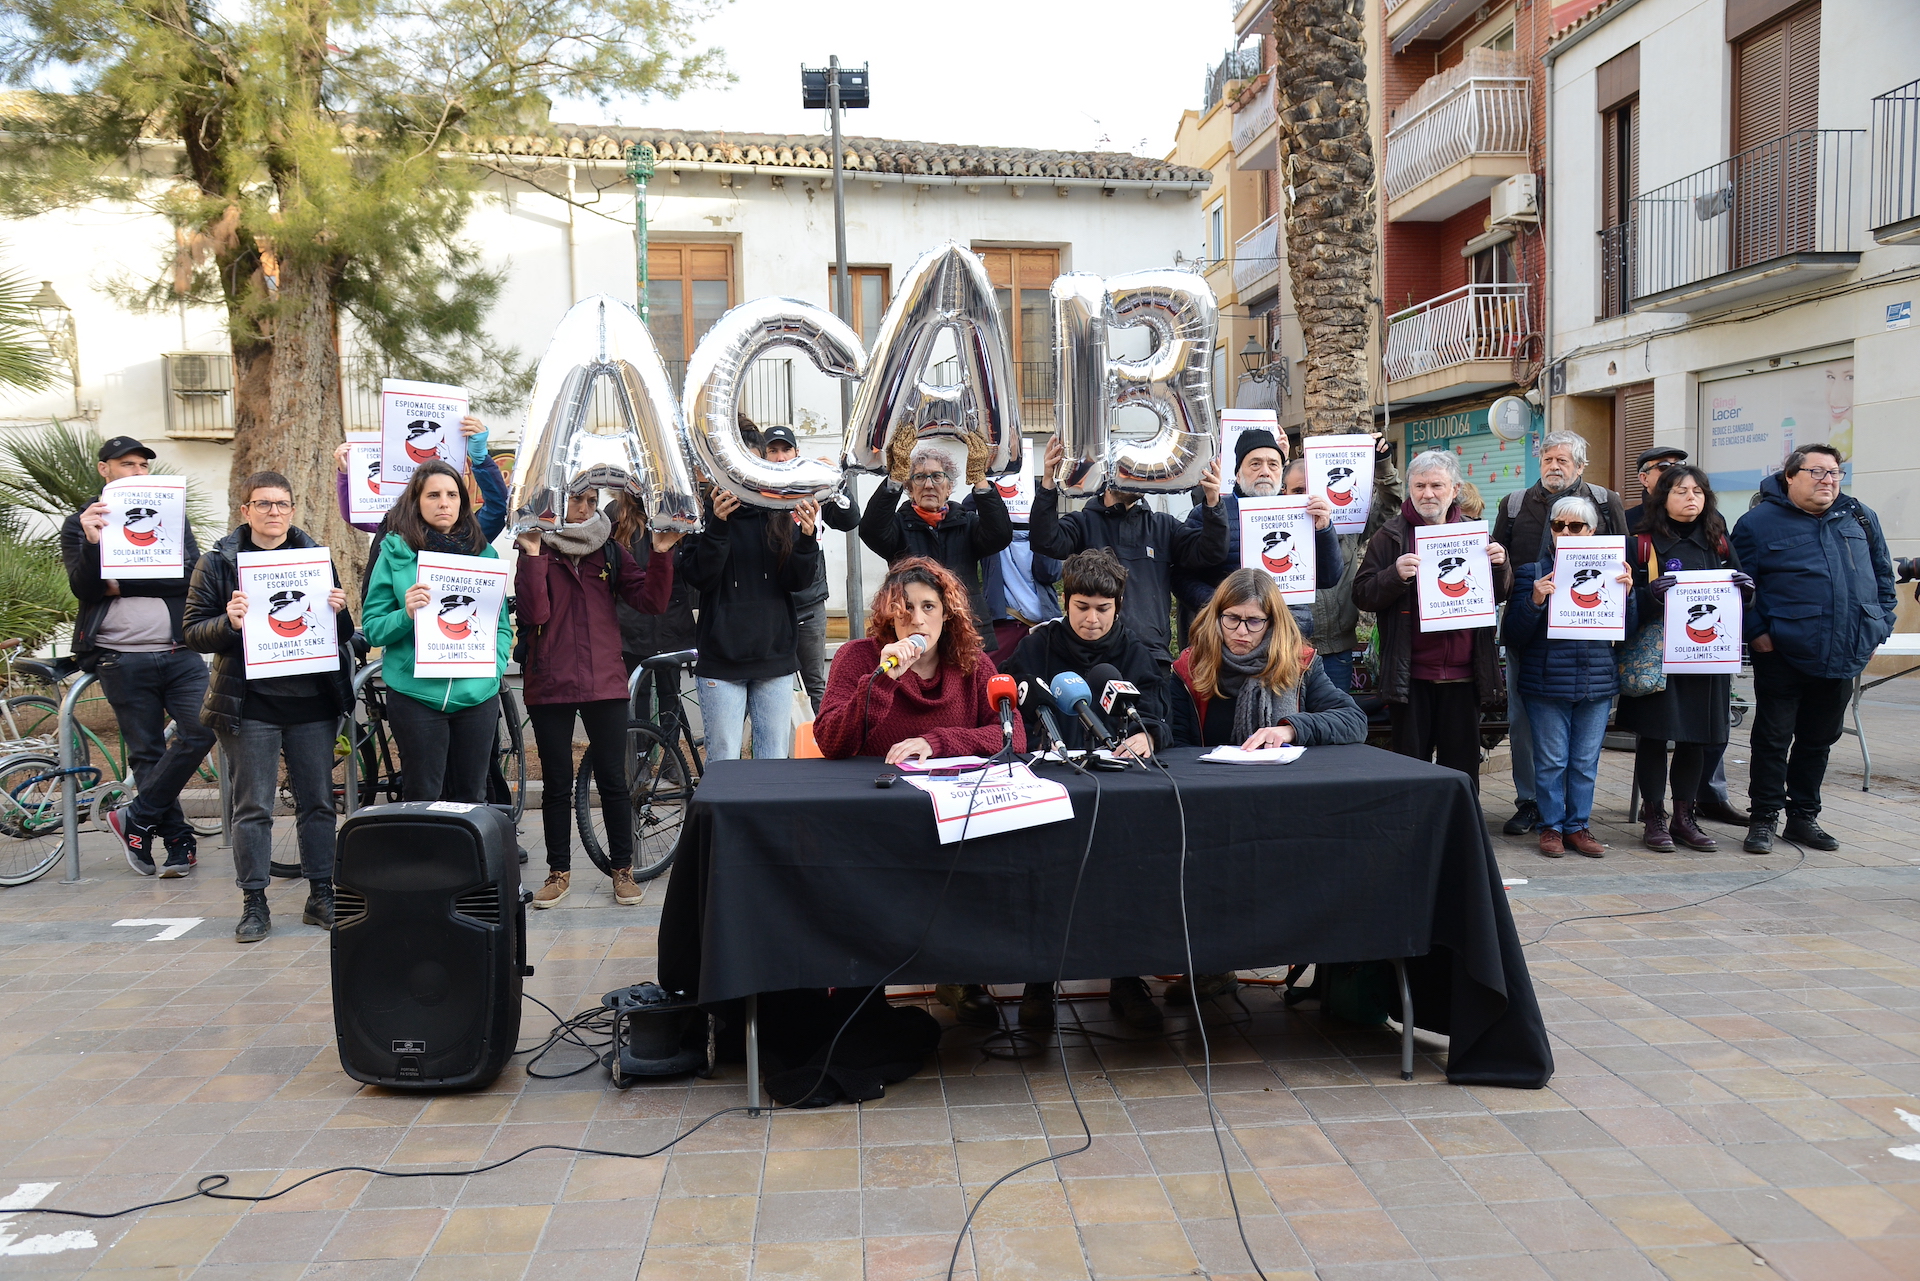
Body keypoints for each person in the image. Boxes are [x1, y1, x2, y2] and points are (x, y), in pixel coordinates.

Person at [813, 557, 1025, 1030]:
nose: (916, 617)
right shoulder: (858, 659)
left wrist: (938, 742)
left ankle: (960, 975)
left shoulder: (973, 664)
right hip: (874, 814)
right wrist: (882, 681)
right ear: (888, 614)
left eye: (928, 606)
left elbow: (1012, 737)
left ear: (947, 614)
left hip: (948, 813)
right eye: (903, 607)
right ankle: (861, 990)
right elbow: (830, 739)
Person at [1161, 568, 1368, 1018]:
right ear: (1215, 617)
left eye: (1255, 621)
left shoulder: (1300, 664)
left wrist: (1291, 727)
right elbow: (1176, 745)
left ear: (1273, 623)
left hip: (1282, 806)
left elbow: (1354, 721)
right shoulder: (1189, 668)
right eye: (1231, 619)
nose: (1241, 632)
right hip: (1209, 804)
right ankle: (1212, 966)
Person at [995, 548, 1170, 1030]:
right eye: (1082, 608)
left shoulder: (1134, 652)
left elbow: (1159, 714)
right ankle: (1039, 981)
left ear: (1118, 607)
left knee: (1123, 878)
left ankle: (1125, 979)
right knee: (1047, 878)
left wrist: (1147, 734)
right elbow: (1007, 701)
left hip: (1116, 790)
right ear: (1065, 602)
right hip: (1049, 784)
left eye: (1103, 609)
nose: (1092, 620)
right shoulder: (1037, 647)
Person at [183, 471, 354, 942]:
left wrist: (340, 611)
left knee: (318, 803)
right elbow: (192, 630)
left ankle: (322, 893)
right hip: (250, 704)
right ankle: (254, 901)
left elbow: (342, 635)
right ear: (246, 511)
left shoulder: (315, 559)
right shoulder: (217, 562)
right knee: (252, 806)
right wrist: (229, 622)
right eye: (263, 504)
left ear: (293, 510)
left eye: (281, 504)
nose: (273, 512)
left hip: (312, 703)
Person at [516, 487, 679, 908]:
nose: (586, 509)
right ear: (554, 501)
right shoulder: (535, 545)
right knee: (556, 783)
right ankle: (558, 872)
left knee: (613, 780)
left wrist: (660, 553)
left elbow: (652, 601)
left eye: (591, 500)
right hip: (549, 682)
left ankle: (621, 870)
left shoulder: (609, 550)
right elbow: (534, 615)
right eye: (576, 500)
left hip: (603, 681)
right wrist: (533, 557)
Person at [64, 436, 216, 878]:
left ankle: (138, 814)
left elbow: (189, 577)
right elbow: (87, 588)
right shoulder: (82, 522)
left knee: (202, 730)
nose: (136, 472)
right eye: (126, 464)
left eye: (143, 466)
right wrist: (96, 547)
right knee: (146, 752)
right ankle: (177, 841)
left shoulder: (172, 516)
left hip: (179, 650)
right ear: (104, 470)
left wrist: (122, 579)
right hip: (120, 656)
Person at [1731, 445, 1896, 854]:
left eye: (1835, 472)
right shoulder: (1757, 523)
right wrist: (1757, 633)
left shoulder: (1858, 516)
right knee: (1772, 738)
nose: (1828, 480)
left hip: (1845, 650)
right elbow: (1739, 586)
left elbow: (1882, 578)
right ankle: (1764, 818)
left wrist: (1877, 628)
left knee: (1819, 738)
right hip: (1782, 651)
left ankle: (1803, 818)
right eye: (1817, 472)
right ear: (1790, 476)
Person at [1491, 431, 1629, 838]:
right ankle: (1530, 802)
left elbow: (1622, 559)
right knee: (1523, 723)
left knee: (1580, 745)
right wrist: (1525, 598)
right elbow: (1498, 570)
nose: (1554, 466)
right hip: (1530, 634)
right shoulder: (1514, 504)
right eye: (1548, 459)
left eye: (1563, 460)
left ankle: (1572, 819)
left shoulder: (1607, 502)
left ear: (1580, 466)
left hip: (1589, 642)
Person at [1352, 449, 1511, 790]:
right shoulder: (1390, 536)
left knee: (1462, 772)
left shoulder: (1477, 535)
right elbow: (1362, 593)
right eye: (1420, 485)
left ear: (1455, 489)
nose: (1428, 494)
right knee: (1411, 770)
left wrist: (1501, 565)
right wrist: (1393, 575)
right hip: (1411, 678)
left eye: (1437, 485)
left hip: (1464, 677)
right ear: (1409, 487)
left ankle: (1461, 838)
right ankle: (1413, 836)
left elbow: (1498, 593)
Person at [1617, 464, 1752, 853]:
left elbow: (1738, 597)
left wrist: (1747, 591)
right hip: (1658, 656)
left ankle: (1684, 817)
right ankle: (1654, 816)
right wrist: (1648, 595)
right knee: (1655, 737)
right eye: (1680, 491)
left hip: (1706, 656)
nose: (1690, 498)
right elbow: (1623, 604)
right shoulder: (1640, 542)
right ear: (1663, 497)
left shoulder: (1719, 540)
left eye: (1697, 491)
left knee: (1697, 737)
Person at [358, 460, 509, 802]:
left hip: (477, 695)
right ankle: (426, 857)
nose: (444, 502)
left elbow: (500, 627)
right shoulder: (395, 554)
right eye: (434, 495)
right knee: (423, 795)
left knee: (472, 795)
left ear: (462, 503)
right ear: (416, 502)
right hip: (416, 697)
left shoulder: (484, 556)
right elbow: (373, 630)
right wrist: (406, 614)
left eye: (453, 495)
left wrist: (494, 669)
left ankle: (469, 858)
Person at [1031, 435, 1227, 659]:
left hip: (1152, 656)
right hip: (1094, 654)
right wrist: (1047, 482)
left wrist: (1213, 502)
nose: (1137, 474)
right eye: (1129, 467)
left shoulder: (1163, 526)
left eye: (1142, 468)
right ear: (1109, 471)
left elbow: (1210, 552)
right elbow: (1046, 541)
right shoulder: (1083, 523)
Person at [683, 483, 822, 761]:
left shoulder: (778, 514)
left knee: (773, 763)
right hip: (721, 661)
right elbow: (699, 577)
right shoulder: (701, 514)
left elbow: (797, 581)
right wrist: (718, 524)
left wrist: (807, 539)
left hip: (775, 658)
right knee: (724, 763)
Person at [1174, 429, 1341, 642]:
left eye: (1273, 464)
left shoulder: (1304, 512)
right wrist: (1223, 605)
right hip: (1229, 637)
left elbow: (1329, 577)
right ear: (1237, 474)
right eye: (1255, 464)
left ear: (1281, 472)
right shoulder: (1208, 512)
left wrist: (1324, 530)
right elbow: (1181, 577)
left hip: (1286, 636)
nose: (1265, 471)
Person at [859, 432, 1011, 634]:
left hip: (966, 630)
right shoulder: (898, 527)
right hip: (914, 627)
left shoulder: (967, 523)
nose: (929, 485)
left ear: (949, 488)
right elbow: (870, 530)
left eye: (937, 477)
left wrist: (979, 479)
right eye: (920, 477)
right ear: (910, 489)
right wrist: (895, 476)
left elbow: (1000, 535)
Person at [762, 423, 860, 715]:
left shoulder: (811, 486)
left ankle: (822, 747)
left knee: (814, 682)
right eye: (773, 451)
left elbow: (849, 519)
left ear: (797, 452)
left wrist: (835, 484)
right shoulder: (757, 493)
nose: (781, 458)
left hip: (809, 603)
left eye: (786, 449)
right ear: (763, 457)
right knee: (765, 682)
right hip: (770, 605)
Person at [1308, 434, 1402, 696]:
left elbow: (1390, 508)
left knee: (1334, 729)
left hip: (1338, 652)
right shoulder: (1276, 531)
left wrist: (1382, 464)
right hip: (1289, 651)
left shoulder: (1347, 526)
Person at [608, 490, 698, 726]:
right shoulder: (615, 513)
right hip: (631, 622)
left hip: (671, 620)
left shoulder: (677, 511)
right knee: (638, 692)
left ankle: (671, 759)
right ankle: (639, 754)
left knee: (671, 694)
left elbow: (690, 565)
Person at [1622, 446, 1688, 533]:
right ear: (1644, 478)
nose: (1674, 471)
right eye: (1663, 466)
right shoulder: (1627, 520)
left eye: (1679, 465)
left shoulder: (1698, 516)